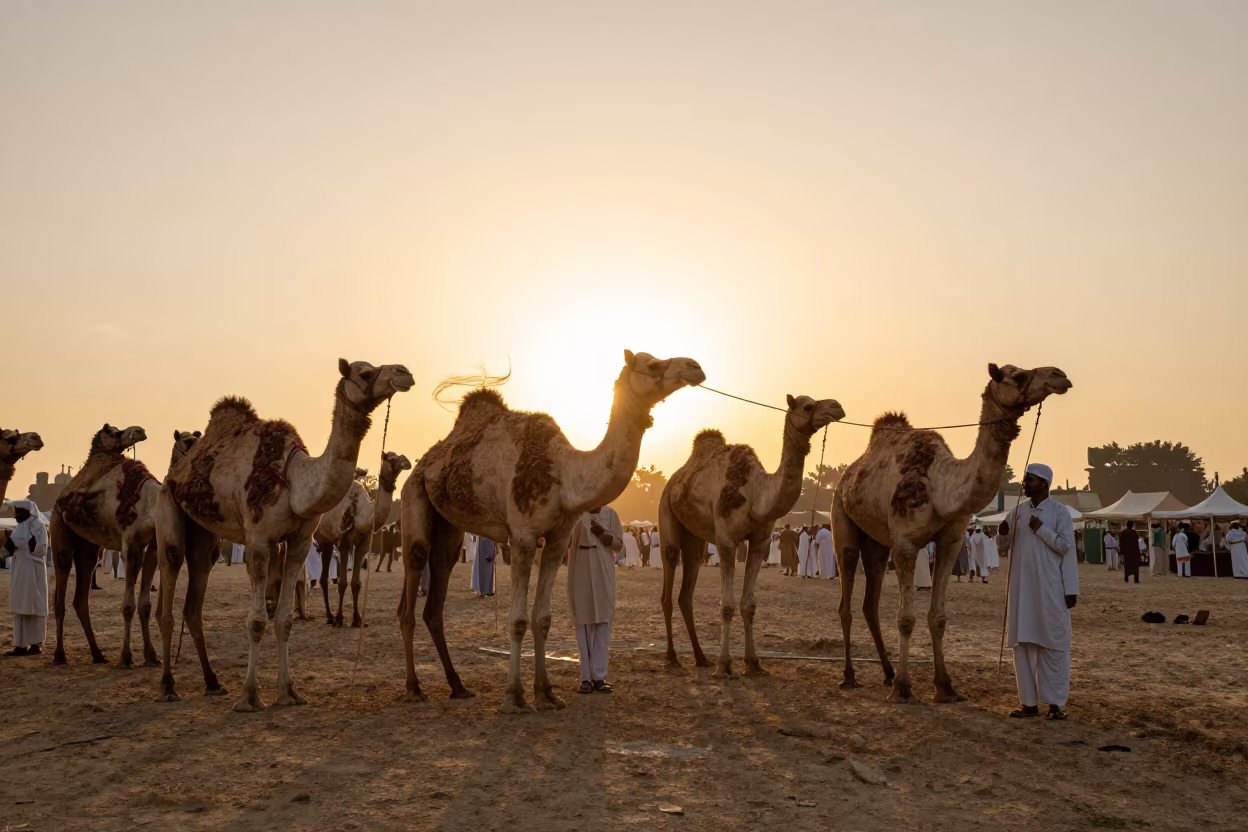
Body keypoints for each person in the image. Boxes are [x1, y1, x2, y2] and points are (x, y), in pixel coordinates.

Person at [1004, 463, 1078, 721]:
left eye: (1030, 480)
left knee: (1054, 645)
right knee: (1022, 646)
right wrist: (1002, 534)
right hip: (1022, 592)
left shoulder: (1060, 512)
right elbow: (1004, 546)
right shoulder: (1017, 511)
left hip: (1051, 590)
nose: (1025, 483)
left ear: (1045, 484)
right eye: (1025, 479)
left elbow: (1066, 548)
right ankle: (1028, 705)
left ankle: (1056, 705)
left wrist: (1071, 589)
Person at [567, 505, 622, 694]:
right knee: (583, 623)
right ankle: (585, 678)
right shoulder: (576, 514)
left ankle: (599, 676)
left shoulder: (610, 514)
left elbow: (618, 544)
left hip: (603, 566)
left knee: (602, 621)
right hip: (580, 565)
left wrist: (603, 534)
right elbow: (566, 540)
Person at [4, 500, 48, 657]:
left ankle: (36, 645)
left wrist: (29, 544)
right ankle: (20, 645)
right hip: (20, 571)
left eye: (18, 512)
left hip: (33, 571)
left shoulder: (38, 526)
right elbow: (7, 550)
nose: (15, 515)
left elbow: (41, 548)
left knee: (35, 605)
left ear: (27, 512)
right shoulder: (20, 527)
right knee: (21, 606)